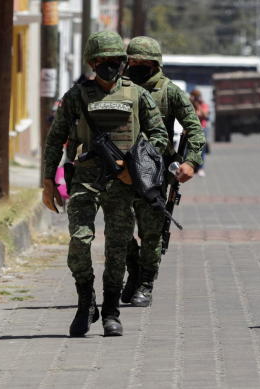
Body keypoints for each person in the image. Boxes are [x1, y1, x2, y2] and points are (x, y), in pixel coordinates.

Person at [40, 31, 167, 338]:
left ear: (123, 62)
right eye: (103, 60)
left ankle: (111, 310)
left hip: (123, 185)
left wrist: (134, 167)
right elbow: (56, 138)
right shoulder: (77, 96)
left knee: (118, 249)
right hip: (86, 180)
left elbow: (159, 135)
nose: (109, 65)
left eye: (115, 60)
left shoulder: (137, 94)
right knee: (79, 242)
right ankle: (86, 302)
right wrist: (47, 182)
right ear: (92, 62)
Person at [122, 36, 206, 307]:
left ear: (154, 64)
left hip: (155, 172)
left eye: (141, 63)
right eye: (131, 61)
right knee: (119, 229)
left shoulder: (169, 92)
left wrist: (191, 162)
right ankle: (133, 270)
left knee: (151, 233)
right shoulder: (119, 88)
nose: (134, 66)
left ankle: (145, 283)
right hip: (121, 169)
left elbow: (194, 129)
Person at [190, 88, 211, 175]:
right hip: (191, 129)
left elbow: (205, 115)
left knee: (201, 150)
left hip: (202, 128)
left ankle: (201, 168)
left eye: (198, 97)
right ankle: (192, 167)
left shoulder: (203, 104)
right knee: (190, 149)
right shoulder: (189, 104)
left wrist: (197, 105)